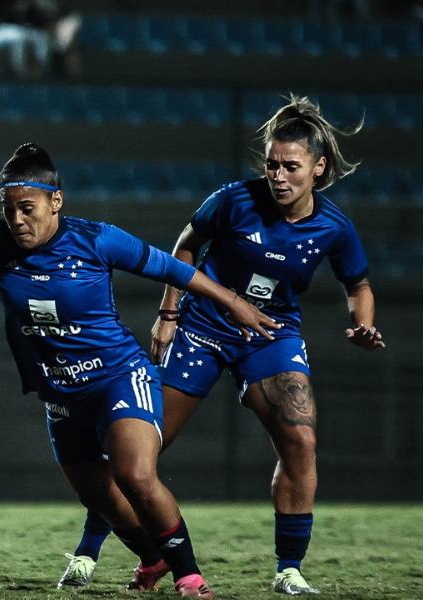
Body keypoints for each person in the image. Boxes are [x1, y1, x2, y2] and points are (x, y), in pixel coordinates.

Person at [0, 142, 281, 598]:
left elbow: (173, 269)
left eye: (27, 209)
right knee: (98, 495)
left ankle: (192, 579)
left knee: (135, 475)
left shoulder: (96, 239)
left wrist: (234, 303)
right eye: (9, 210)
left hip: (119, 377)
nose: (17, 220)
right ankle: (153, 558)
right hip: (61, 394)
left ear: (56, 202)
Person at [76, 94, 385, 595]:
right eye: (271, 164)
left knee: (301, 439)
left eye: (291, 166)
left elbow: (359, 287)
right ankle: (90, 549)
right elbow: (186, 247)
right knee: (140, 450)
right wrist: (168, 314)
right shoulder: (234, 200)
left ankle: (289, 569)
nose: (278, 176)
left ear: (319, 167)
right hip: (201, 328)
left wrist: (363, 324)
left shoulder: (335, 227)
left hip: (271, 334)